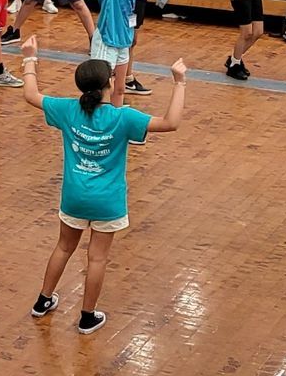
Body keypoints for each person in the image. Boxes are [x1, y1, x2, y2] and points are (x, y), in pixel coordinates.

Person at [21, 35, 184, 334]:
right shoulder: (123, 117)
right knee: (97, 257)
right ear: (109, 83)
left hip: (73, 196)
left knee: (63, 247)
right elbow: (171, 122)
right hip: (108, 202)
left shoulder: (68, 110)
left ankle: (43, 301)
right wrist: (180, 82)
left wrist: (29, 57)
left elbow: (31, 95)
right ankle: (87, 316)